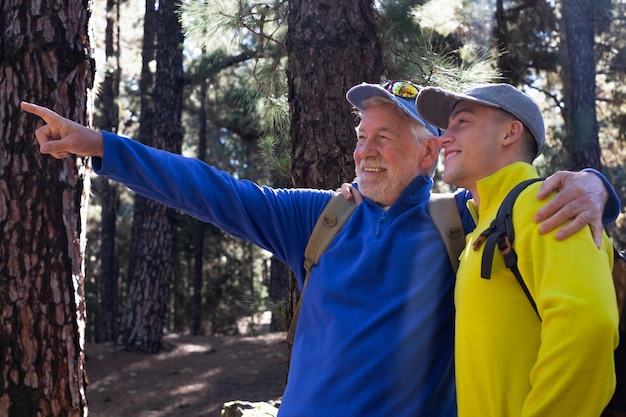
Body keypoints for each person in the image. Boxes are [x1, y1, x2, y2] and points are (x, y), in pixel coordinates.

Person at [20, 80, 616, 416]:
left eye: (385, 136)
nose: (365, 150)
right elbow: (211, 189)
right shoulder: (318, 217)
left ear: (429, 152)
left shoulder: (458, 228)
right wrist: (100, 146)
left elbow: (531, 204)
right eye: (361, 137)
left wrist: (599, 187)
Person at [416, 83, 619, 416]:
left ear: (510, 133)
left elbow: (588, 327)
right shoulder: (481, 224)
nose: (443, 138)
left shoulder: (548, 204)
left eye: (462, 123)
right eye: (445, 128)